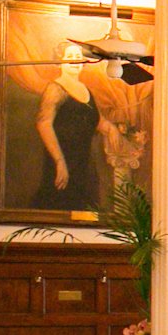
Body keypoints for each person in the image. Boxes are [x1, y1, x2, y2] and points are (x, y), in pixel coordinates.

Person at [29, 43, 118, 212]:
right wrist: (59, 161)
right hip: (62, 158)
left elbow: (96, 120)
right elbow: (43, 123)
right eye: (70, 57)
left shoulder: (86, 90)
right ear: (59, 61)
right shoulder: (55, 88)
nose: (75, 61)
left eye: (78, 57)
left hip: (83, 160)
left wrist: (111, 129)